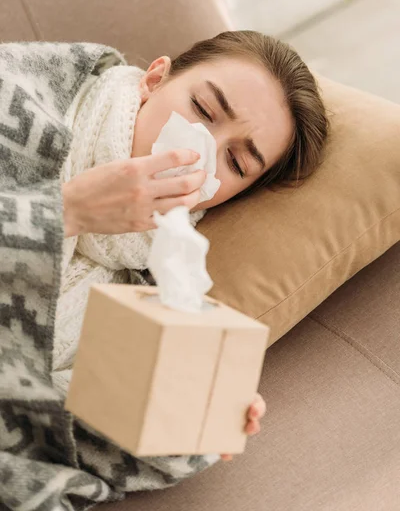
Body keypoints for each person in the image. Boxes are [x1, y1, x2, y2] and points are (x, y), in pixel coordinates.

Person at [54, 30, 329, 463]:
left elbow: (44, 436)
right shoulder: (32, 97)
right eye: (202, 110)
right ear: (154, 79)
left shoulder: (145, 291)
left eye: (235, 162)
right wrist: (64, 212)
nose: (200, 153)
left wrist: (180, 419)